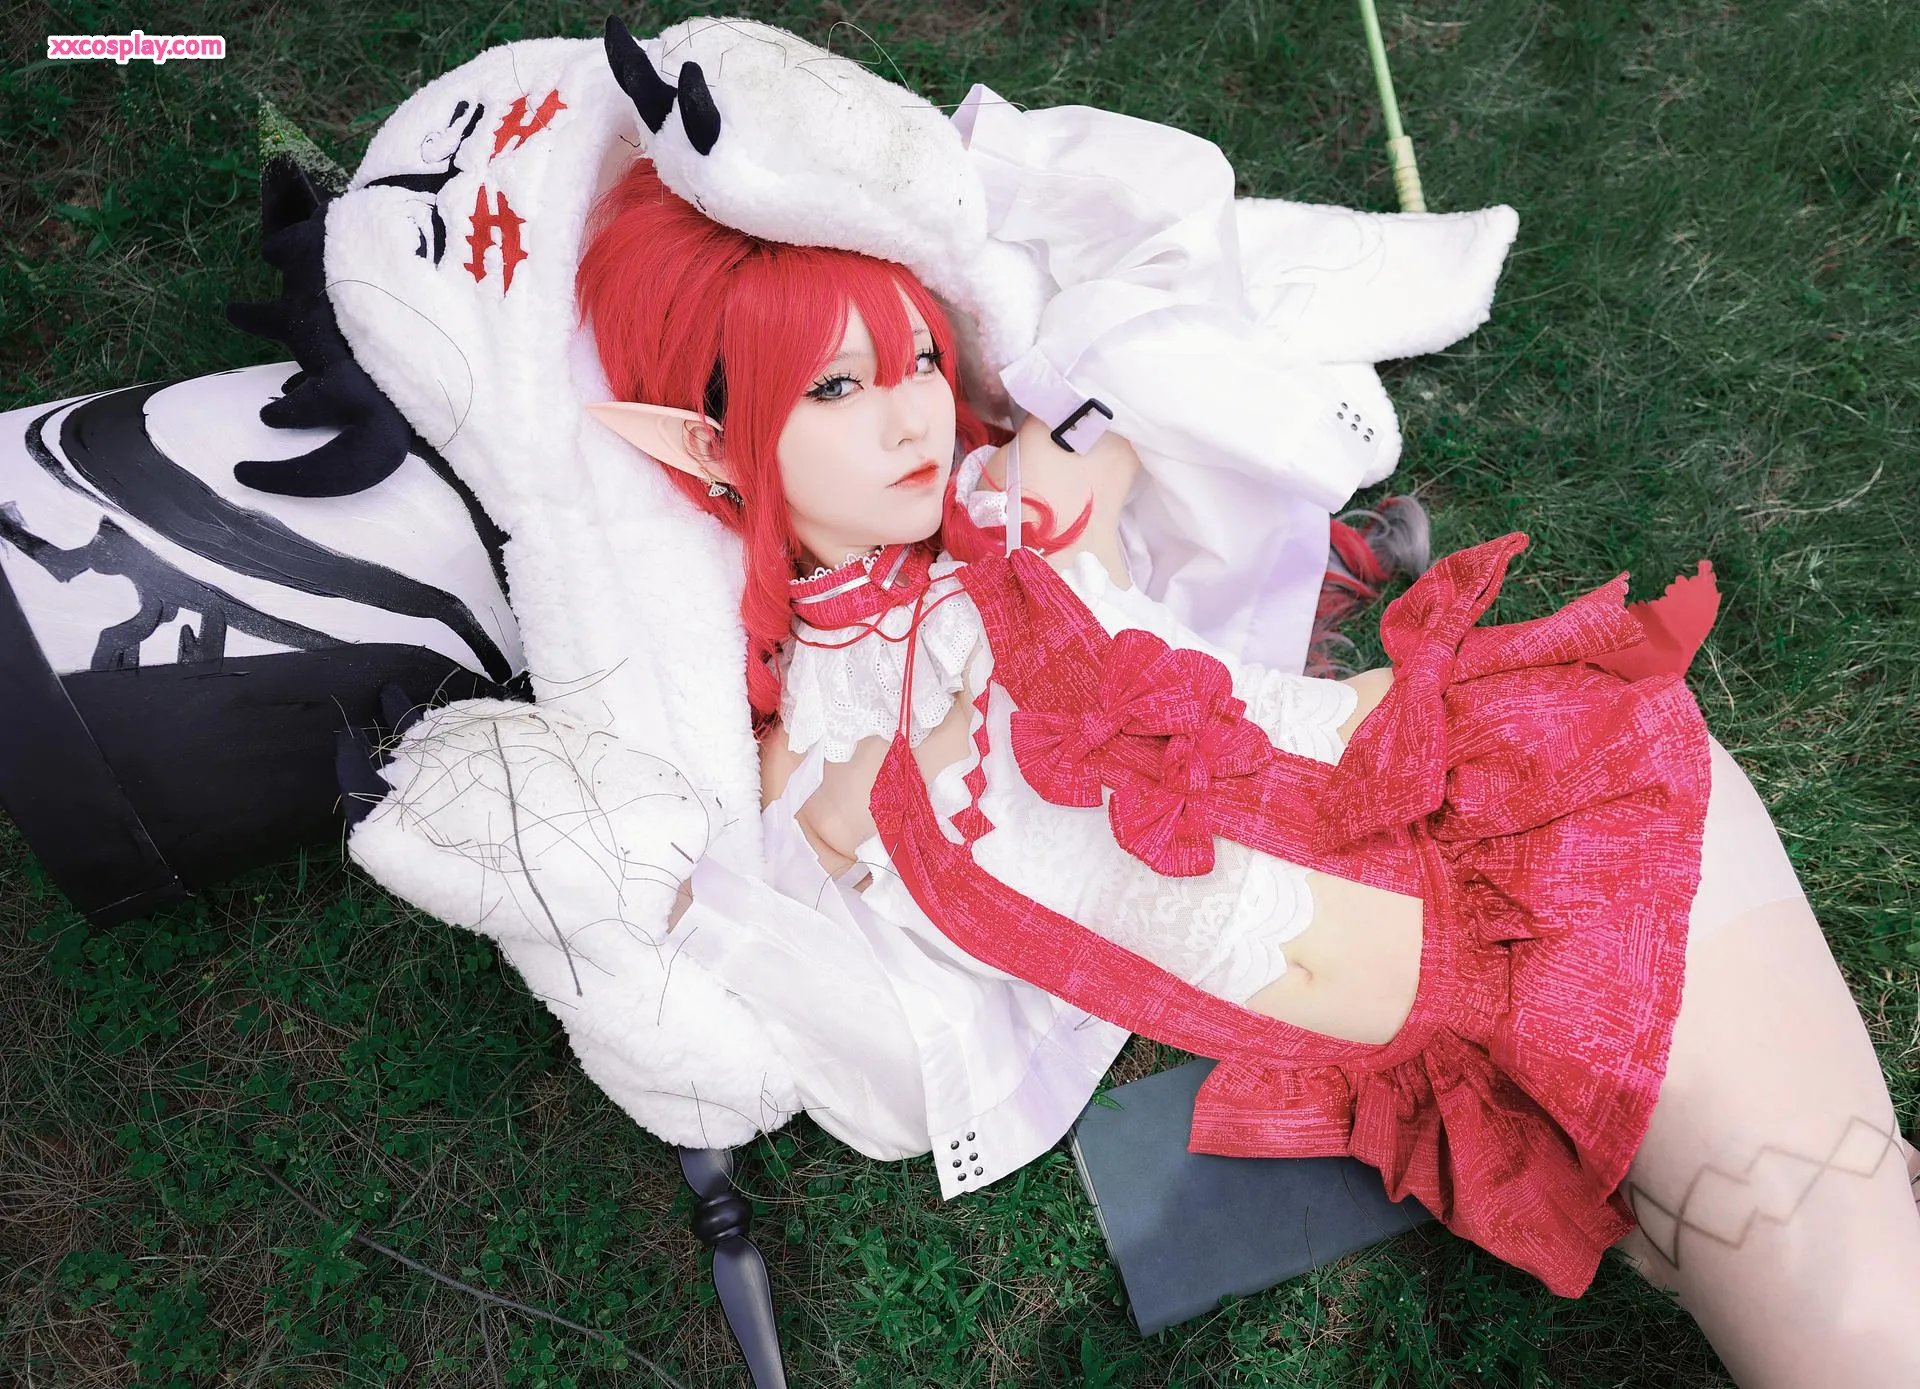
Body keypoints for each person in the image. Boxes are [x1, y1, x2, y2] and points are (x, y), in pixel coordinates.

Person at [578, 157, 1920, 1387]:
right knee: (1829, 1293)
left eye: (917, 359)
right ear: (706, 444)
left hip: (1558, 821)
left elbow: (1147, 297)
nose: (908, 416)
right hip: (1470, 1005)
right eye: (835, 387)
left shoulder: (1014, 517)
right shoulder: (810, 762)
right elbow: (786, 1000)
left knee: (1854, 1316)